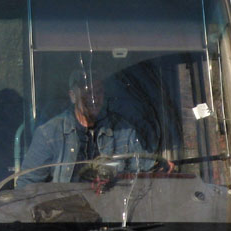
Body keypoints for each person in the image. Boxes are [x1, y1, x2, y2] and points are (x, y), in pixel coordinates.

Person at [17, 69, 146, 185]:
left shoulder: (123, 131)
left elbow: (143, 173)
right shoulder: (49, 134)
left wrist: (161, 166)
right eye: (88, 92)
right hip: (67, 209)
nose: (94, 98)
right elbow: (27, 185)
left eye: (98, 92)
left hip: (113, 207)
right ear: (73, 96)